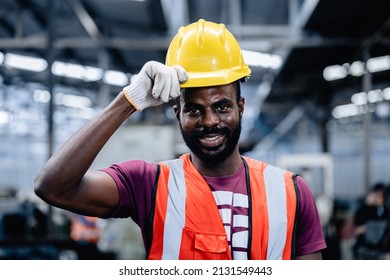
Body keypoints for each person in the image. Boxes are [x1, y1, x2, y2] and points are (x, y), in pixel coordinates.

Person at [34, 19, 326, 260]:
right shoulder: (149, 184)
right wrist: (128, 101)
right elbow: (53, 187)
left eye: (222, 106)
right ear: (178, 113)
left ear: (241, 106)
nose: (210, 121)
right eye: (194, 109)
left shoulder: (291, 192)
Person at [352, 182, 390, 259]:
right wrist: (367, 204)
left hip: (381, 249)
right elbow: (356, 229)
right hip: (366, 249)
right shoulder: (364, 210)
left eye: (383, 195)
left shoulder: (385, 210)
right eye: (379, 194)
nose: (381, 197)